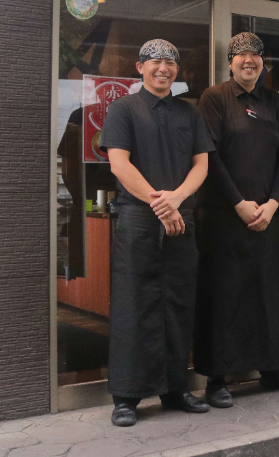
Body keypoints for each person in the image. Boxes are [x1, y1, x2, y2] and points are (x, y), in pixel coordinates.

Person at [100, 39, 215, 427]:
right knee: (135, 306)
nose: (162, 68)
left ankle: (176, 388)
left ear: (177, 71)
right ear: (139, 67)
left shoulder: (190, 112)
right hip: (139, 220)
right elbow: (119, 163)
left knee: (178, 304)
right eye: (155, 61)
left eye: (170, 62)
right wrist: (159, 203)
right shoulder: (123, 109)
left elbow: (201, 164)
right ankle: (127, 396)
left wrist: (178, 199)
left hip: (181, 219)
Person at [194, 32, 279, 408]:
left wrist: (274, 202)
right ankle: (217, 378)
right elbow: (208, 156)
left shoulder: (274, 101)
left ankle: (277, 369)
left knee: (268, 293)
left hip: (265, 214)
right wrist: (239, 203)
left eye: (256, 55)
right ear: (230, 62)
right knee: (224, 294)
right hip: (224, 215)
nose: (249, 60)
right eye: (241, 54)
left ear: (263, 63)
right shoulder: (214, 98)